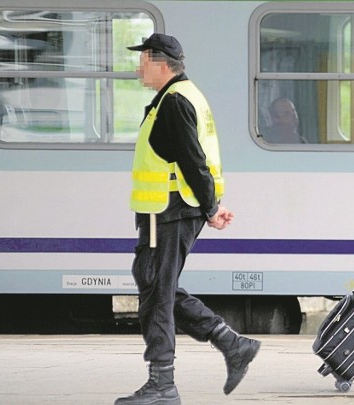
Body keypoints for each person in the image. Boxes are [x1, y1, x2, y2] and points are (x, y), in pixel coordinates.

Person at [117, 33, 260, 405]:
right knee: (154, 285)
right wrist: (210, 205)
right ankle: (232, 343)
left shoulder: (175, 101)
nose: (138, 67)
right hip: (172, 209)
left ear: (161, 62)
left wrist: (210, 208)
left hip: (168, 210)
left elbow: (192, 160)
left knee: (157, 294)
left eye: (143, 60)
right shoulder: (180, 95)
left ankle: (162, 383)